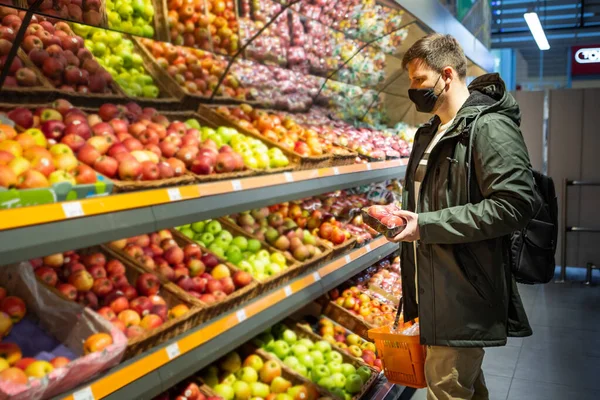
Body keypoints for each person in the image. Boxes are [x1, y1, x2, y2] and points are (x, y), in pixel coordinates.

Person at [390, 33, 535, 400]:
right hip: (436, 285)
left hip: (463, 287)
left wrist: (425, 225)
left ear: (448, 74)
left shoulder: (488, 127)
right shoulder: (430, 132)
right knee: (464, 387)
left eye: (419, 80)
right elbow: (434, 199)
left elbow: (515, 204)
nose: (413, 88)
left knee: (446, 386)